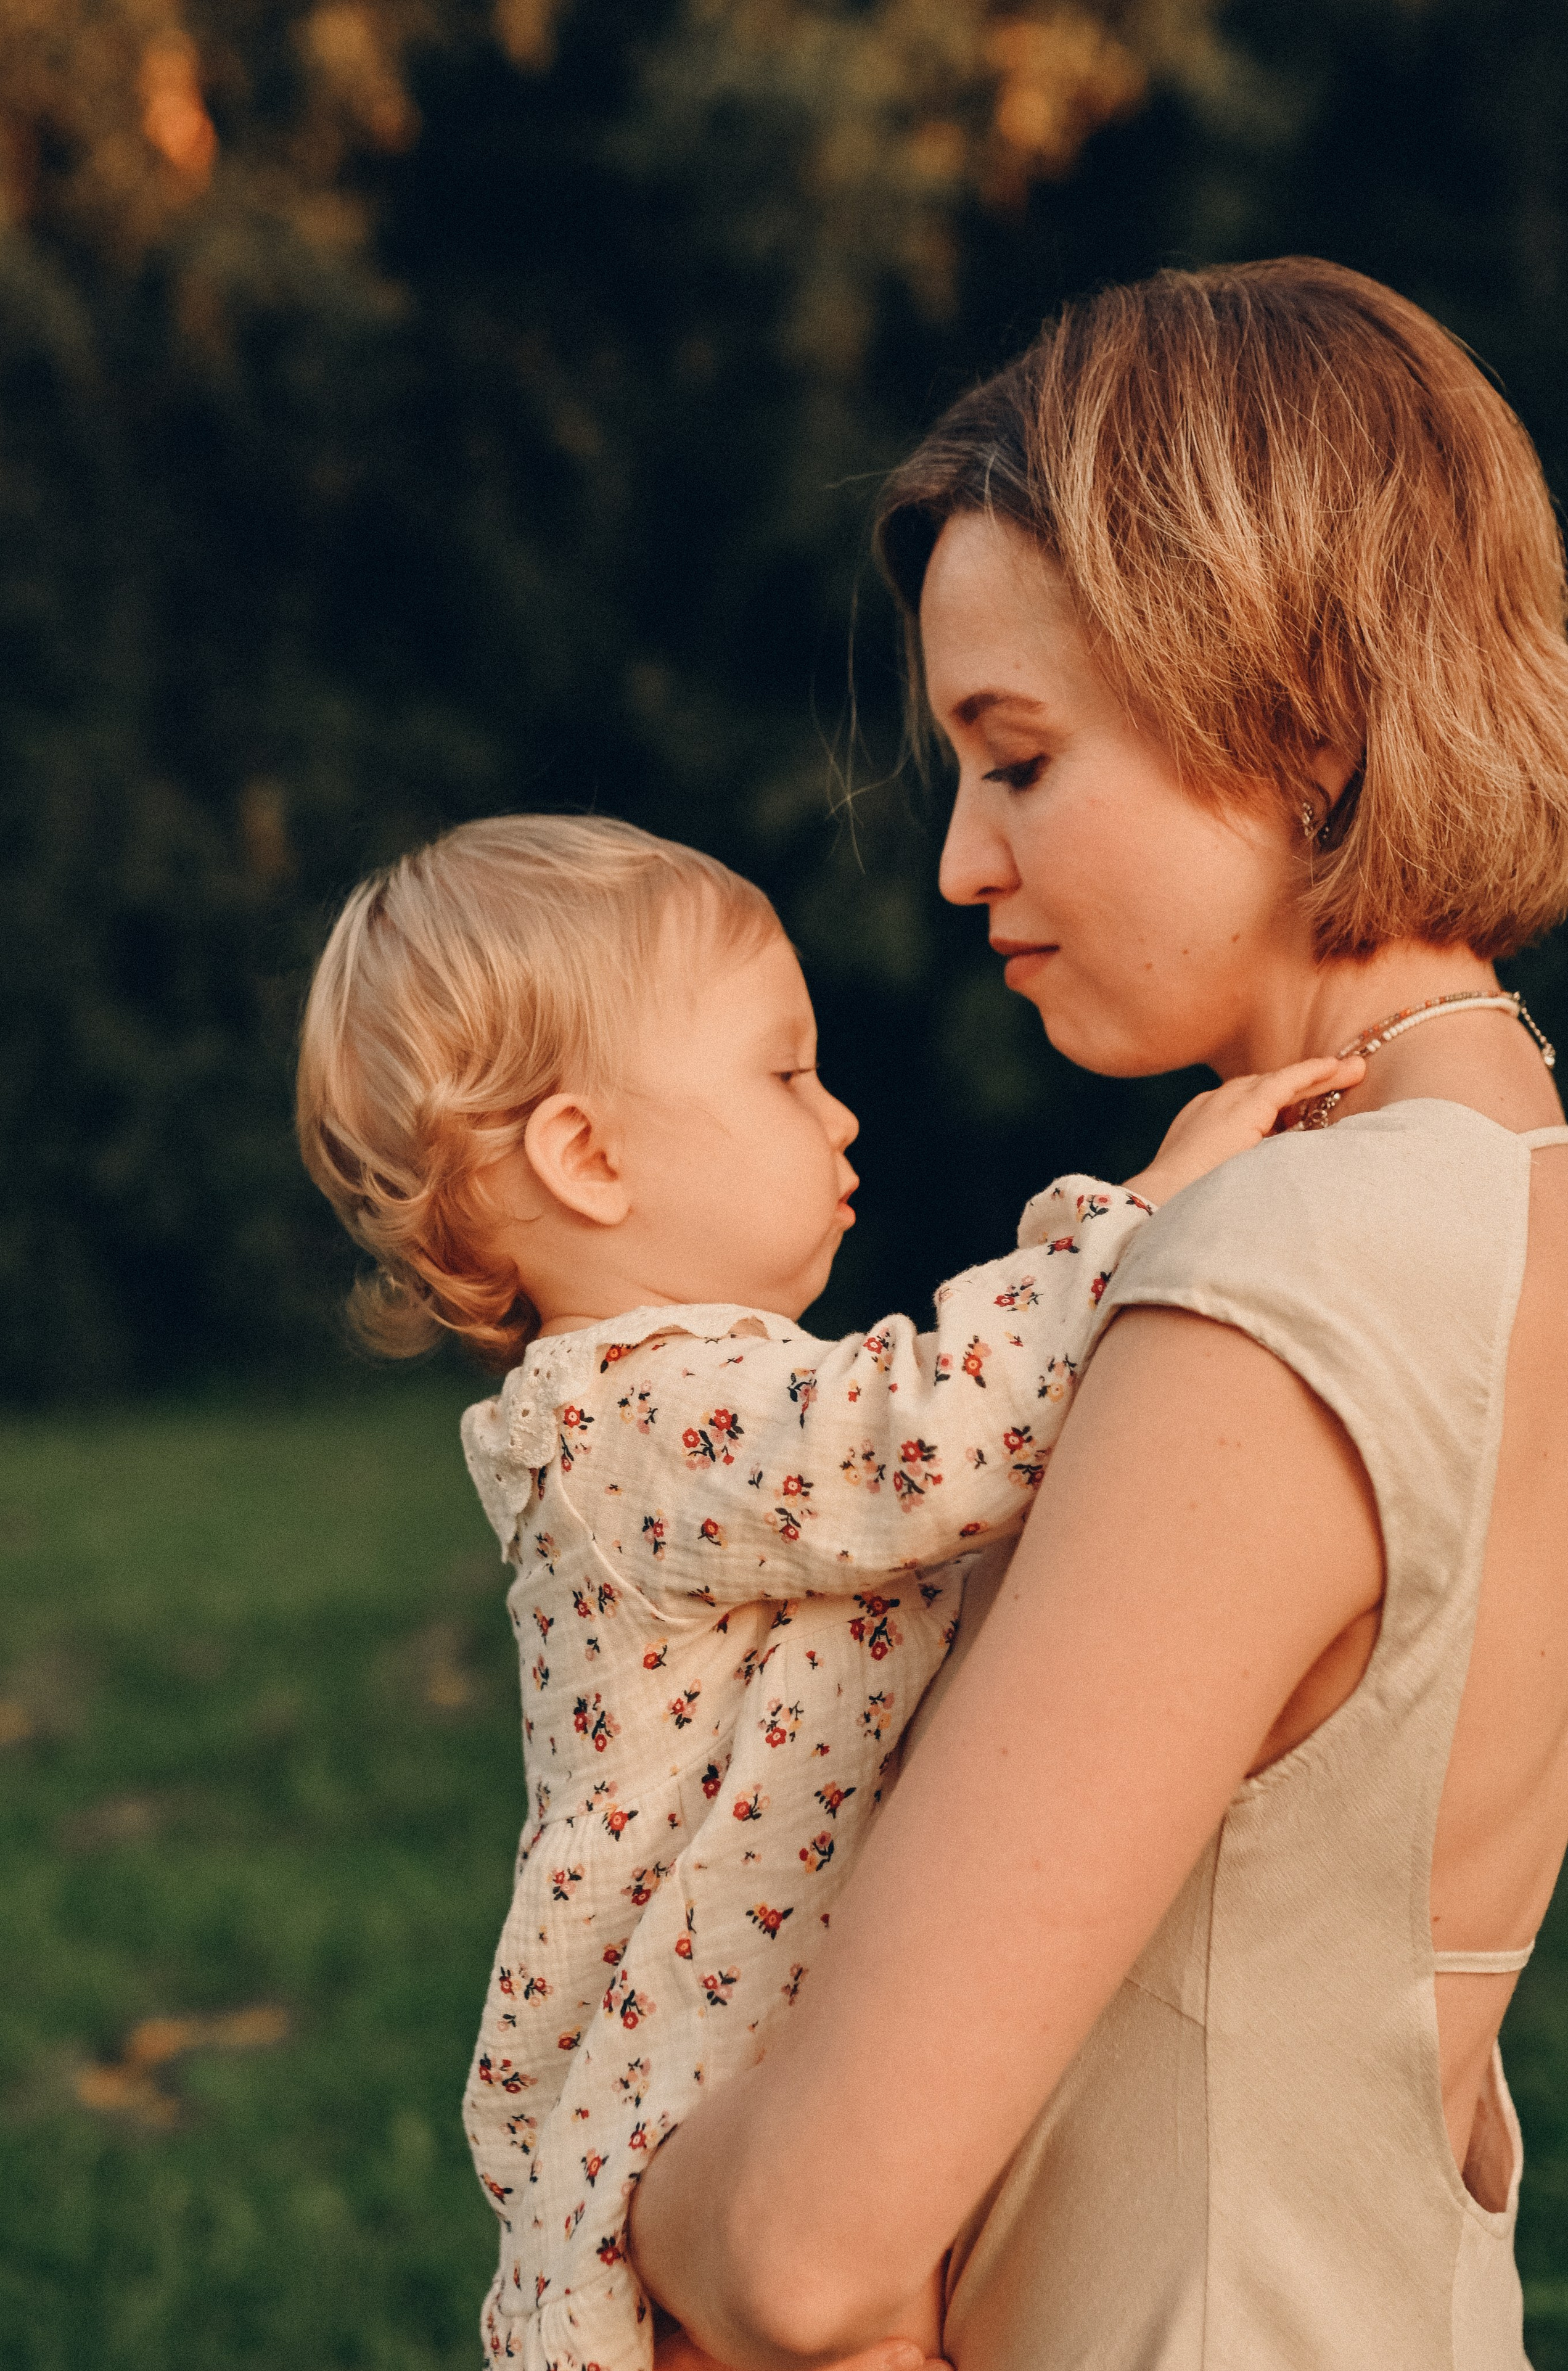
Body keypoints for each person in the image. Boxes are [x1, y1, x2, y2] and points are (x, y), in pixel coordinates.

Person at [625, 259, 1568, 2371]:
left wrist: (624, 2164)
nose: (961, 860)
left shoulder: (1289, 1268)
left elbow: (800, 2247)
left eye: (1021, 759)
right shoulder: (1517, 1185)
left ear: (1298, 718)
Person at [293, 812, 1350, 2371]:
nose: (841, 1115)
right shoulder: (627, 1425)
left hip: (787, 2068)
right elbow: (929, 1439)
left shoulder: (704, 1408)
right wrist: (1148, 1211)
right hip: (692, 2112)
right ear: (587, 1158)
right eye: (784, 1074)